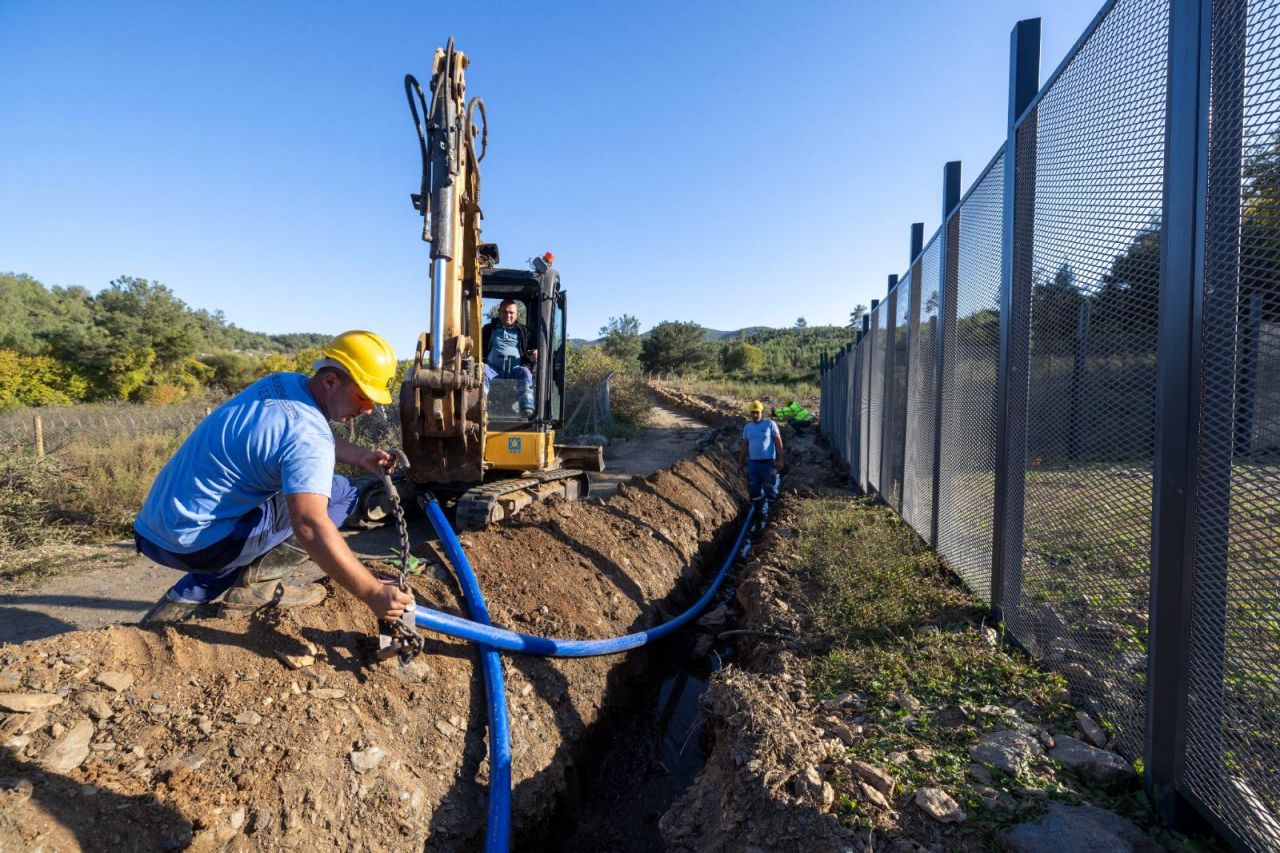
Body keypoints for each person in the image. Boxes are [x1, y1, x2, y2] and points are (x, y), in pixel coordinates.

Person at [134, 330, 416, 625]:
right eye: (362, 396)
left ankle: (179, 602)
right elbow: (309, 525)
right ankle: (257, 588)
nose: (368, 409)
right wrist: (372, 592)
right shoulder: (309, 438)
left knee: (261, 512)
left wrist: (360, 456)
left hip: (155, 531)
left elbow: (297, 434)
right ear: (331, 381)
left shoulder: (281, 383)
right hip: (198, 548)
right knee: (340, 492)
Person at [480, 299, 537, 419]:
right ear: (499, 312)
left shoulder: (525, 332)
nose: (508, 315)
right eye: (505, 312)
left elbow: (534, 349)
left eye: (511, 313)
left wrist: (535, 353)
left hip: (515, 370)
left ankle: (526, 407)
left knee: (525, 372)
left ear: (517, 314)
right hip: (493, 369)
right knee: (482, 370)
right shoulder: (488, 330)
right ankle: (481, 405)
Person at [740, 400, 784, 523]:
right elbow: (744, 445)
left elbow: (778, 442)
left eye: (757, 412)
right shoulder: (747, 427)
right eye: (752, 412)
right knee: (754, 489)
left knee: (770, 489)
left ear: (762, 412)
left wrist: (780, 461)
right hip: (753, 464)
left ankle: (771, 516)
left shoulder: (770, 424)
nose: (754, 415)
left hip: (768, 463)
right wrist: (740, 462)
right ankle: (758, 513)